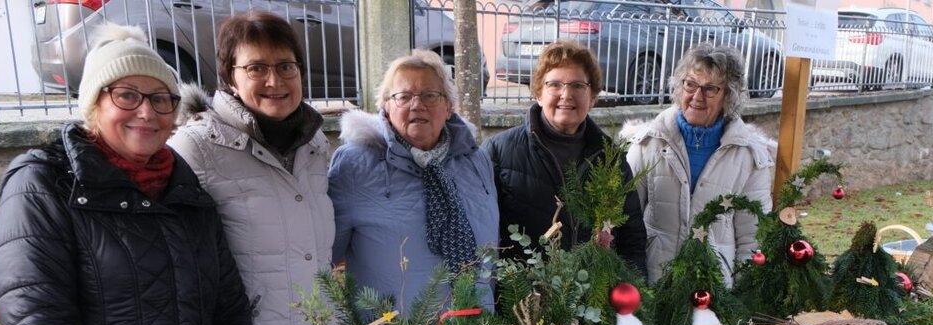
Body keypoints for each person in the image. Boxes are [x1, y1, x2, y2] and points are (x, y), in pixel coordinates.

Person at [0, 25, 253, 325]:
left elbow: (230, 313)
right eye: (127, 95)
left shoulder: (185, 189)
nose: (147, 112)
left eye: (162, 99)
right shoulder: (44, 185)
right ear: (94, 103)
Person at [169, 11, 350, 325]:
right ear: (229, 77)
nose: (275, 80)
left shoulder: (314, 144)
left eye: (286, 66)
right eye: (256, 68)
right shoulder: (195, 148)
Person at [329, 49, 498, 310]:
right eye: (403, 96)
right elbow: (322, 257)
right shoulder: (353, 165)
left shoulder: (476, 160)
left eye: (430, 95)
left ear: (449, 107)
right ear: (386, 107)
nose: (417, 105)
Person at [483, 41, 646, 274]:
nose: (566, 94)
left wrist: (633, 292)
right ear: (538, 93)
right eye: (554, 84)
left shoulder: (610, 159)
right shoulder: (499, 152)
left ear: (592, 97)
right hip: (522, 294)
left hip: (595, 293)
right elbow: (484, 237)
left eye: (578, 85)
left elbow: (632, 240)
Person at [624, 43, 775, 285]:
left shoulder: (749, 156)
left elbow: (753, 237)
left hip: (715, 288)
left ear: (728, 95)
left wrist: (742, 295)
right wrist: (634, 283)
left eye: (710, 89)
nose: (697, 96)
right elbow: (625, 222)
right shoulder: (647, 144)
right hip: (655, 283)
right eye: (690, 84)